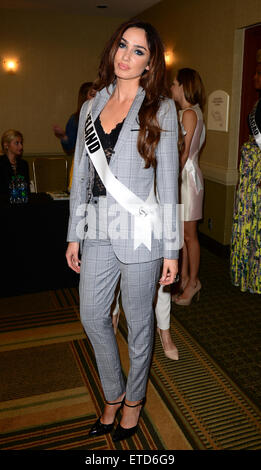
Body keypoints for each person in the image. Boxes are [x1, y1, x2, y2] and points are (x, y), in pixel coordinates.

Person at [66, 20, 179, 442]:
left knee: (139, 325)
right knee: (93, 316)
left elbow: (168, 182)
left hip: (143, 232)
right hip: (97, 226)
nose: (125, 56)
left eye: (138, 51)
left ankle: (133, 401)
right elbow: (81, 176)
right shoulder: (92, 105)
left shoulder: (160, 108)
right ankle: (112, 393)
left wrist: (172, 250)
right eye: (122, 45)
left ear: (150, 64)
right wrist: (74, 233)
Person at [171, 68, 205, 306]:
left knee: (190, 236)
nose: (171, 87)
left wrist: (168, 179)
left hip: (187, 178)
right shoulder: (186, 112)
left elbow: (183, 154)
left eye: (174, 83)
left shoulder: (190, 114)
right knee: (182, 236)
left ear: (183, 86)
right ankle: (183, 278)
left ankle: (193, 282)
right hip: (183, 176)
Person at [230, 55, 261, 294]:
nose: (254, 75)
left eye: (259, 71)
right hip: (250, 179)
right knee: (249, 224)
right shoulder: (256, 105)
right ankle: (249, 276)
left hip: (258, 179)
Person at [53, 82, 94, 190]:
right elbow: (69, 147)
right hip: (82, 165)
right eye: (92, 94)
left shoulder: (105, 117)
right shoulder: (75, 119)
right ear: (84, 97)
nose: (96, 98)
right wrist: (63, 137)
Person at [0, 129, 30, 196]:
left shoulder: (24, 164)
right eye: (17, 143)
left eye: (21, 143)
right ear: (6, 145)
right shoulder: (1, 163)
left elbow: (27, 189)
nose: (21, 146)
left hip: (21, 202)